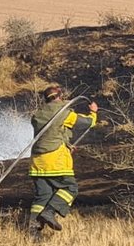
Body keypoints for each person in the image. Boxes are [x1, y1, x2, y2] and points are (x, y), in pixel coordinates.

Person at [28, 84, 98, 233]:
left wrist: (67, 144)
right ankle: (50, 212)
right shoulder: (63, 113)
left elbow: (51, 133)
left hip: (36, 162)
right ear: (59, 96)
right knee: (70, 188)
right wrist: (93, 113)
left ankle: (33, 232)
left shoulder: (38, 115)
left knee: (42, 196)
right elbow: (86, 123)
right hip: (55, 161)